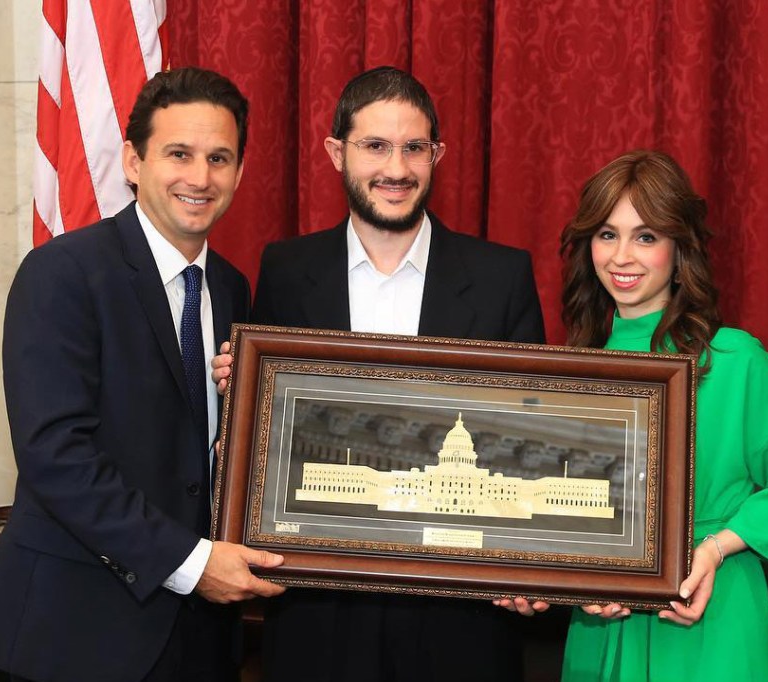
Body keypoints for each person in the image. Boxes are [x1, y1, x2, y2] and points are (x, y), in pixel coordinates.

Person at [212, 66, 546, 682]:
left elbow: (528, 443)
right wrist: (245, 396)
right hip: (319, 614)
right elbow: (270, 446)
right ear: (337, 152)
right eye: (375, 146)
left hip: (461, 622)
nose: (396, 168)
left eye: (413, 147)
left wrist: (531, 566)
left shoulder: (502, 278)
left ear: (437, 155)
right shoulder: (285, 270)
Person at [0, 67, 285, 682]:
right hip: (76, 632)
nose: (200, 177)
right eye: (179, 154)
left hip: (199, 637)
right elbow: (57, 456)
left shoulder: (231, 287)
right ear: (134, 162)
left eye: (220, 158)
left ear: (241, 173)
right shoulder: (63, 273)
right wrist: (191, 564)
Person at [558, 150, 768, 681]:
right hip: (602, 629)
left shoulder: (735, 360)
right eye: (607, 235)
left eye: (647, 236)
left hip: (712, 616)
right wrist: (577, 579)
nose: (622, 256)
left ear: (680, 250)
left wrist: (716, 549)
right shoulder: (572, 367)